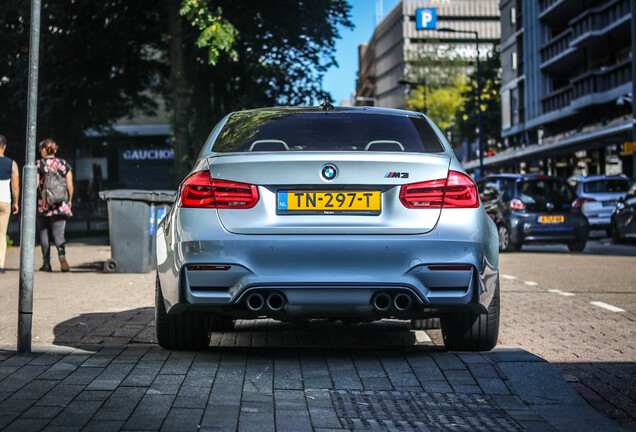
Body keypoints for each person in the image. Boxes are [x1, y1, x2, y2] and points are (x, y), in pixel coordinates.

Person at [36, 138, 73, 272]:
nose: (40, 151)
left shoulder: (38, 164)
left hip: (43, 205)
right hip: (60, 204)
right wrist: (69, 201)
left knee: (44, 234)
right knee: (59, 234)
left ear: (45, 149)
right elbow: (69, 185)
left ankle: (46, 263)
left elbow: (34, 185)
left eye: (41, 149)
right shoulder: (64, 164)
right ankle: (62, 257)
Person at [0, 135, 20, 274]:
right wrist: (16, 202)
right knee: (1, 234)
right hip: (4, 201)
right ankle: (0, 264)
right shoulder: (11, 163)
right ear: (4, 147)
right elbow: (15, 186)